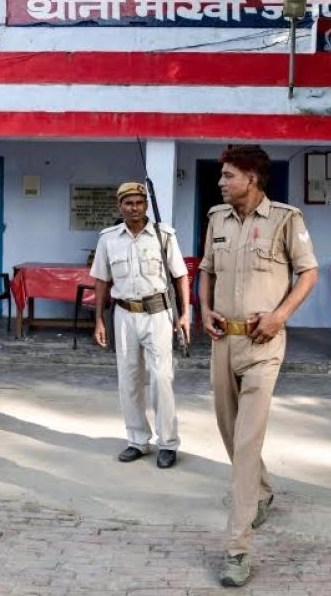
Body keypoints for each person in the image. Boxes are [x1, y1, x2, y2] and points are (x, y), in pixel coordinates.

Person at [198, 145, 318, 587]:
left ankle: (237, 548)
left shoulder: (287, 219)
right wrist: (204, 307)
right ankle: (262, 490)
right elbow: (207, 268)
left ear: (252, 178)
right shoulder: (217, 218)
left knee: (246, 443)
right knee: (230, 432)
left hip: (263, 342)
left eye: (228, 175)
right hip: (222, 341)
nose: (221, 182)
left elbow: (308, 273)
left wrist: (279, 316)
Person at [90, 181, 189, 470]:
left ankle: (167, 443)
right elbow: (101, 280)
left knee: (161, 379)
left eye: (139, 202)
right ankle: (137, 440)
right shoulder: (109, 238)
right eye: (128, 203)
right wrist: (99, 318)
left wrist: (185, 314)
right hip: (123, 315)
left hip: (158, 313)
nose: (134, 208)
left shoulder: (163, 235)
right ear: (119, 206)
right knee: (129, 378)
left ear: (146, 205)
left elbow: (181, 275)